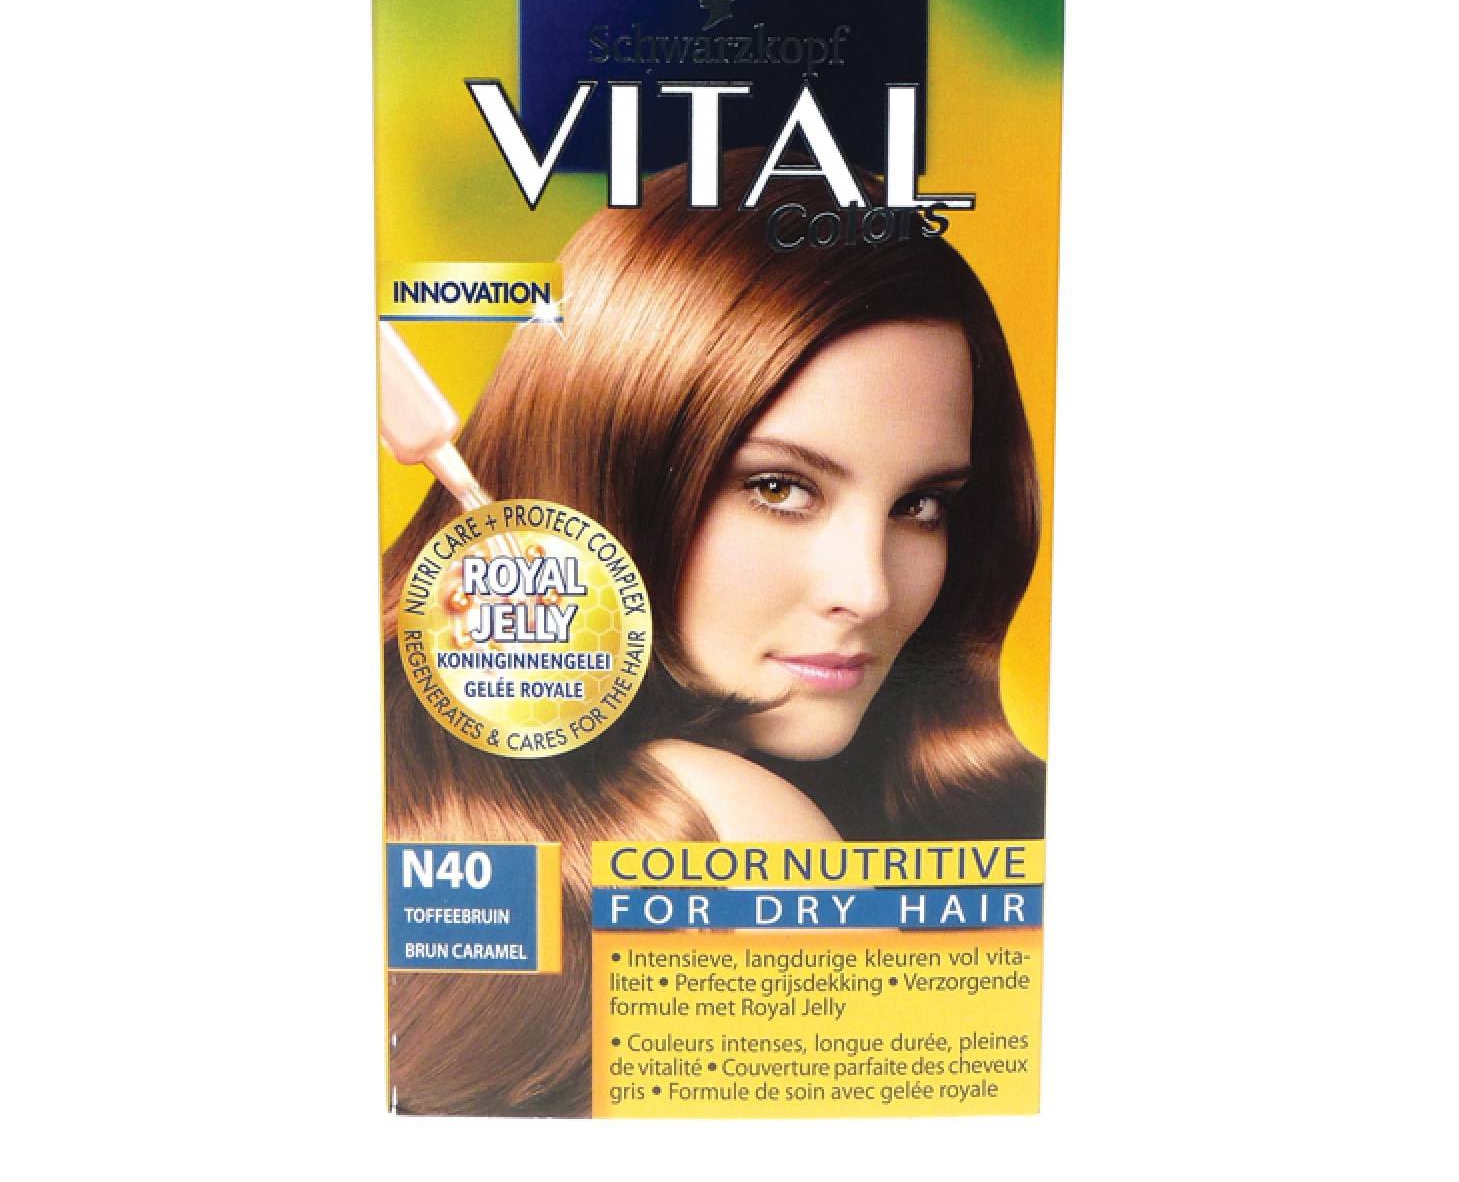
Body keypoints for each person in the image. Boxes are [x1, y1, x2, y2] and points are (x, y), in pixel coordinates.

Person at [383, 149, 1045, 1115]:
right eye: (778, 487)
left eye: (922, 506)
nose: (866, 590)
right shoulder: (730, 828)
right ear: (610, 456)